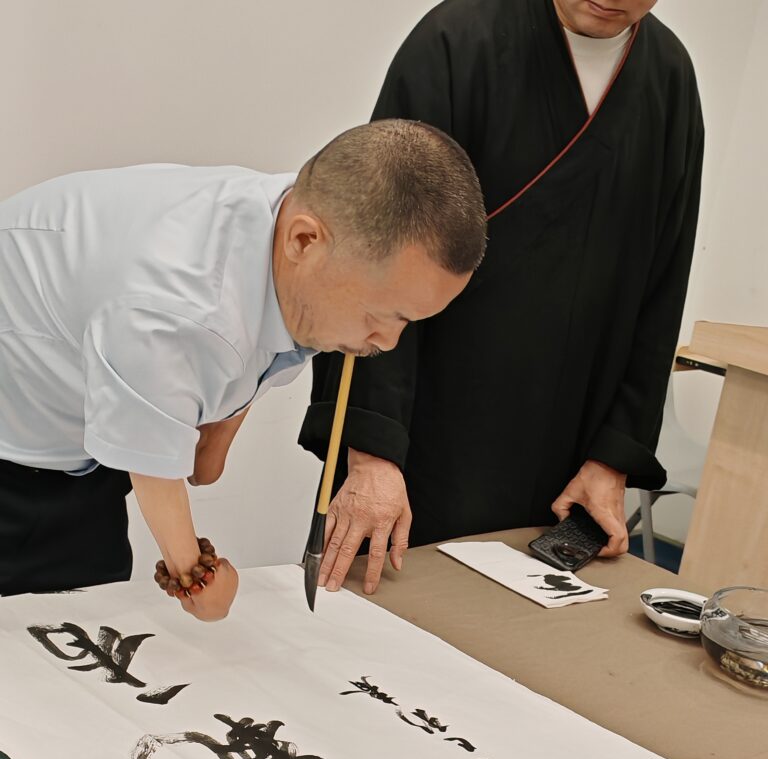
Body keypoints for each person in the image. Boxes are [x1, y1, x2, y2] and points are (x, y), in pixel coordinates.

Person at [0, 120, 486, 618]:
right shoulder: (176, 304)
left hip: (78, 454)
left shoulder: (301, 223)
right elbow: (150, 457)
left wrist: (214, 434)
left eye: (410, 322)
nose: (387, 341)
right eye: (382, 316)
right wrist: (195, 578)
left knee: (85, 619)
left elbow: (249, 366)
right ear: (304, 241)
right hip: (16, 451)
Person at [299, 0, 704, 595]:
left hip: (568, 455)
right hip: (425, 434)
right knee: (374, 644)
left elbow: (663, 281)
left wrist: (614, 457)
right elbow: (372, 254)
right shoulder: (457, 40)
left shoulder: (669, 76)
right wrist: (372, 453)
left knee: (524, 656)